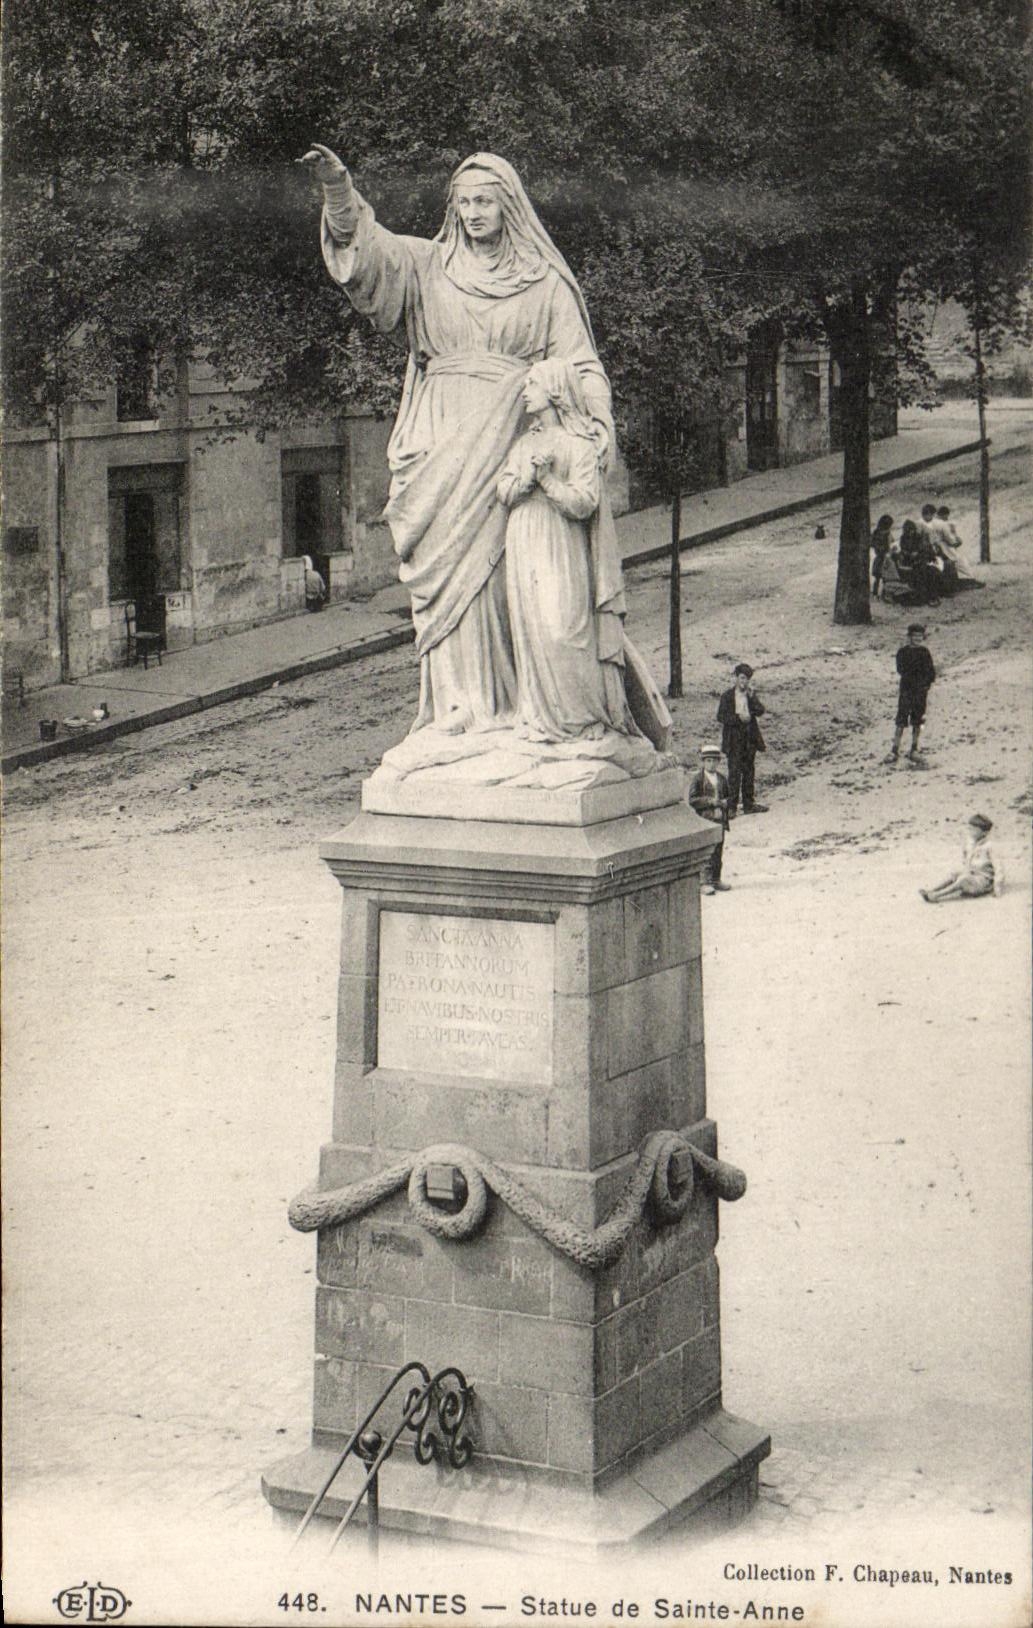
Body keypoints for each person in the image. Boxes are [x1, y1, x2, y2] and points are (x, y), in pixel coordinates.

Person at [300, 142, 617, 740]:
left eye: (485, 201)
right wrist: (339, 191)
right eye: (463, 201)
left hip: (510, 439)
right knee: (448, 583)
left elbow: (581, 364)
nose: (473, 212)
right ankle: (462, 708)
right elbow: (366, 258)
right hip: (440, 442)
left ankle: (519, 707)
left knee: (504, 578)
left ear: (509, 207)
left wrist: (595, 427)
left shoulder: (545, 284)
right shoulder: (427, 266)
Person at [495, 360, 635, 743]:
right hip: (524, 543)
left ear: (555, 391)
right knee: (532, 630)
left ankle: (582, 717)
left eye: (532, 384)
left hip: (560, 545)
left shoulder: (579, 447)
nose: (525, 391)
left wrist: (549, 481)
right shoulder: (524, 444)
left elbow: (585, 502)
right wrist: (527, 480)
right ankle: (540, 718)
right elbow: (503, 491)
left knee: (563, 629)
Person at [717, 663, 768, 814]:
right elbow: (721, 716)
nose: (744, 682)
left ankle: (748, 804)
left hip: (749, 737)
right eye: (742, 678)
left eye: (747, 679)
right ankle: (732, 807)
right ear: (736, 677)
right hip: (734, 738)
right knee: (734, 772)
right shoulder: (727, 696)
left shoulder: (750, 695)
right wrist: (739, 718)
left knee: (749, 771)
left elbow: (760, 711)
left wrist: (752, 698)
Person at [920, 814, 1003, 902]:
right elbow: (966, 861)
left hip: (984, 882)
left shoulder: (989, 846)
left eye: (974, 830)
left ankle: (937, 895)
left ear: (984, 833)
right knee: (954, 875)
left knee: (963, 879)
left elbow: (999, 869)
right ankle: (932, 890)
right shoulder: (971, 844)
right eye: (970, 829)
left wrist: (997, 888)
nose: (970, 832)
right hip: (973, 876)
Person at [686, 744, 731, 894]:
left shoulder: (722, 779)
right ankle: (704, 882)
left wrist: (726, 804)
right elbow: (693, 800)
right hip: (705, 820)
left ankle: (716, 879)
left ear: (718, 762)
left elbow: (730, 796)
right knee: (706, 851)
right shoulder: (698, 779)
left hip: (719, 819)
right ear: (703, 762)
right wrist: (710, 802)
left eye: (714, 761)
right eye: (708, 761)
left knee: (718, 851)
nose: (711, 764)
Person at [888, 622, 935, 762]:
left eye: (920, 636)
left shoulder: (925, 652)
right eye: (915, 636)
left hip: (920, 691)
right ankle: (894, 749)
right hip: (907, 689)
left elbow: (931, 672)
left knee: (917, 719)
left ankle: (914, 748)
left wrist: (926, 685)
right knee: (901, 719)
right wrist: (913, 677)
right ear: (909, 637)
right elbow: (900, 669)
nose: (917, 638)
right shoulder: (902, 652)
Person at [936, 505, 983, 589]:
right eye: (946, 516)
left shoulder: (933, 523)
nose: (947, 518)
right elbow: (951, 541)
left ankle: (963, 580)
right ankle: (969, 580)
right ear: (944, 515)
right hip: (944, 548)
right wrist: (958, 540)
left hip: (937, 548)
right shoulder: (943, 524)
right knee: (960, 560)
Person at [897, 519, 942, 605]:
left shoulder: (918, 537)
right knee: (922, 574)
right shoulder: (903, 538)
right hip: (909, 561)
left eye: (912, 531)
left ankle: (932, 597)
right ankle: (929, 597)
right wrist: (908, 553)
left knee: (929, 572)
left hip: (920, 560)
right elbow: (903, 550)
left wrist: (917, 552)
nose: (911, 533)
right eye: (908, 531)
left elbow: (922, 549)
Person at [870, 514, 894, 599]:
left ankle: (879, 592)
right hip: (882, 557)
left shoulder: (879, 532)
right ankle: (878, 592)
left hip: (883, 557)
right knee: (882, 577)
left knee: (882, 577)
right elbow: (872, 543)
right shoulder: (881, 533)